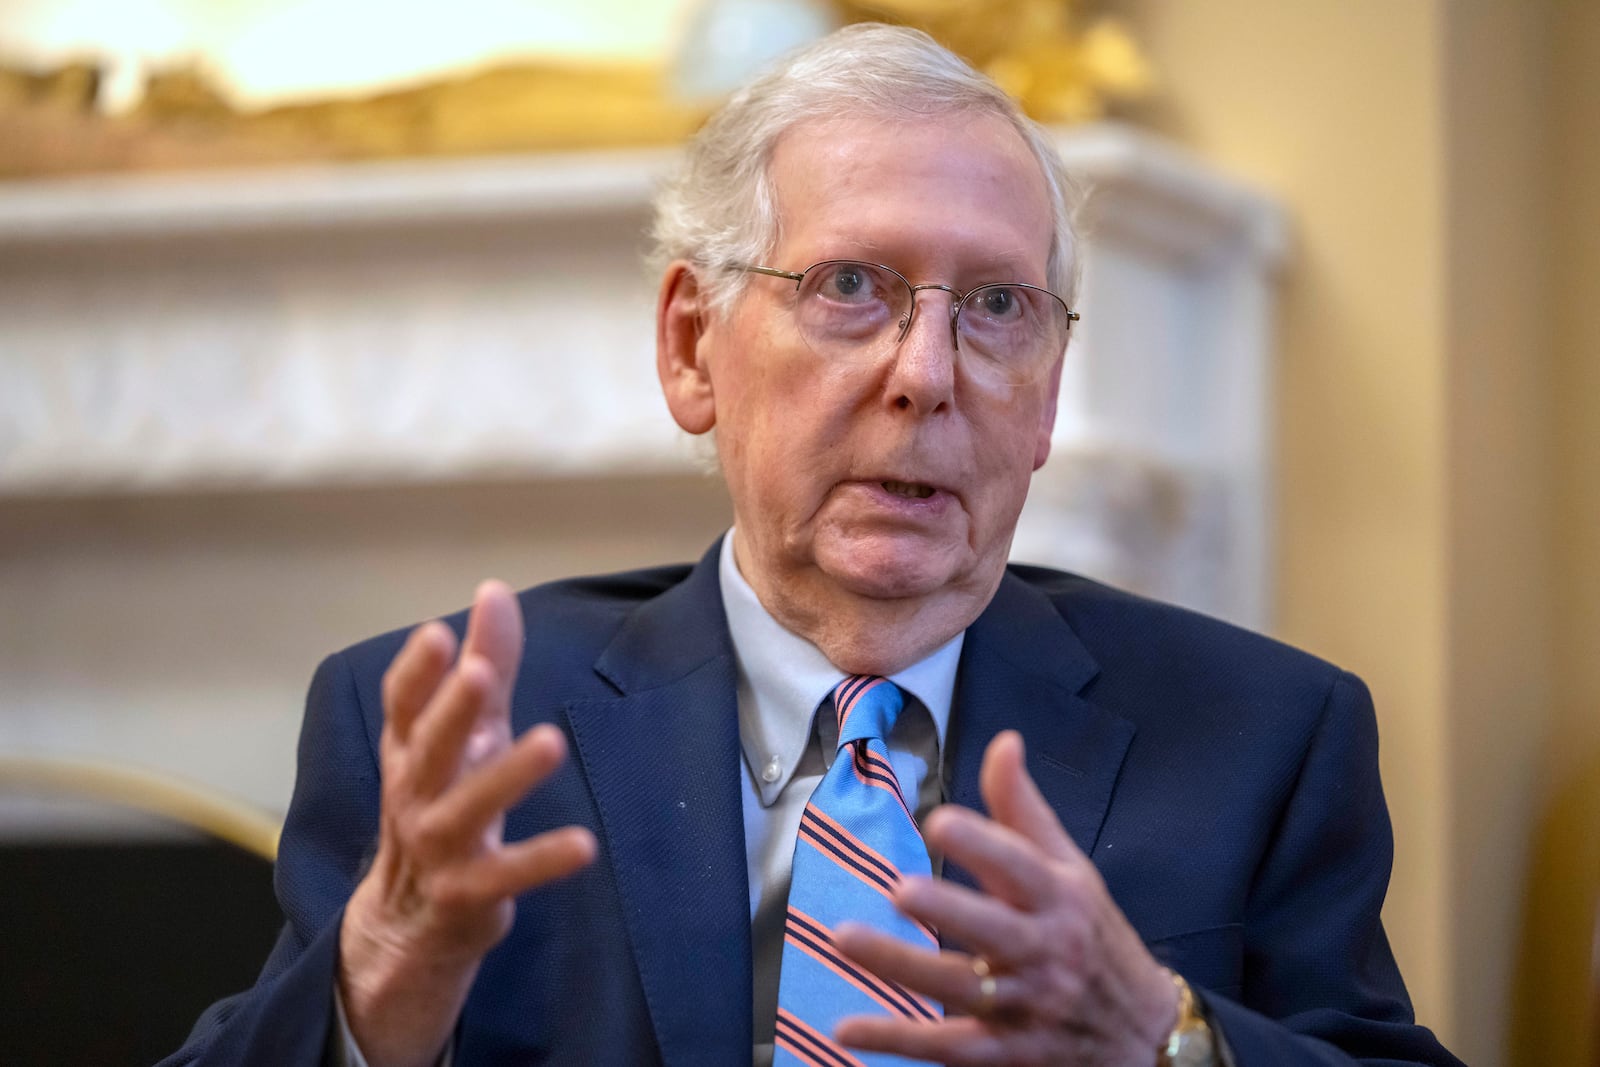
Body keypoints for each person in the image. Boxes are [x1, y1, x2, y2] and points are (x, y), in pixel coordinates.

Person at [164, 23, 1462, 1067]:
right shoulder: (465, 731)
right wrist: (381, 983)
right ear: (690, 347)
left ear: (1051, 395)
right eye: (852, 286)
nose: (928, 373)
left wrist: (1164, 1044)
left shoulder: (1262, 739)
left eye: (999, 305)